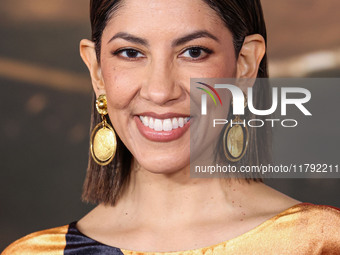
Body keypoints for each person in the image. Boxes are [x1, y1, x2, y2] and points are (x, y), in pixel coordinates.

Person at [2, 0, 340, 254]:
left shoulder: (320, 242)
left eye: (193, 52)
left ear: (245, 64)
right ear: (96, 71)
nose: (160, 91)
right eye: (131, 53)